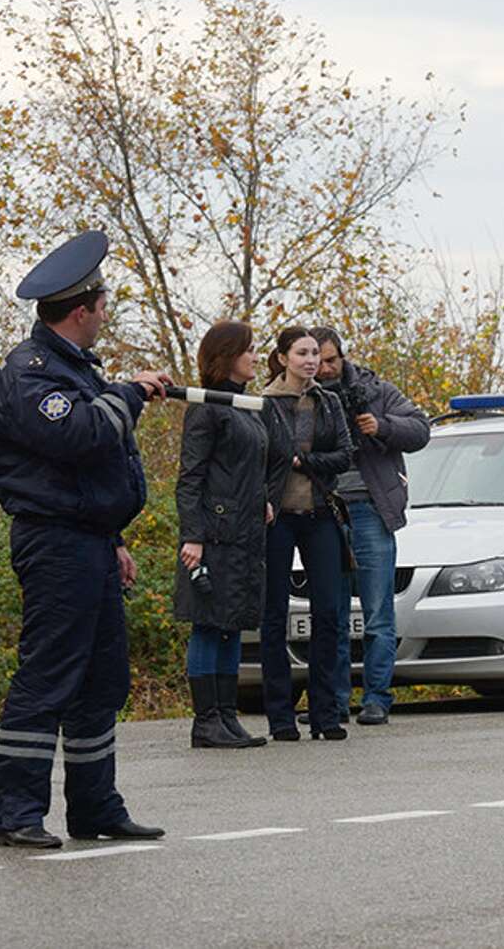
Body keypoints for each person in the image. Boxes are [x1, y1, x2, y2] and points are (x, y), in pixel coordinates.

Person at [0, 231, 171, 850]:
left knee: (101, 680)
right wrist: (128, 395)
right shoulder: (31, 375)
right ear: (82, 309)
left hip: (89, 541)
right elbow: (83, 437)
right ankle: (17, 813)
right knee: (49, 677)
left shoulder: (73, 371)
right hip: (53, 543)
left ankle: (94, 807)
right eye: (103, 305)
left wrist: (113, 538)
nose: (106, 315)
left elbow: (93, 473)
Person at [175, 321, 287, 750]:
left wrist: (265, 498)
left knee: (233, 625)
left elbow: (264, 461)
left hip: (246, 533)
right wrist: (193, 536)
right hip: (214, 534)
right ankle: (206, 721)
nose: (256, 357)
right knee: (208, 625)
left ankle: (226, 716)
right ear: (227, 354)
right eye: (250, 350)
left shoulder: (246, 405)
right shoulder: (207, 407)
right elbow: (190, 478)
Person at [311, 328, 430, 726]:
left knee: (377, 611)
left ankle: (377, 697)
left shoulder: (375, 390)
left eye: (331, 359)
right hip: (325, 510)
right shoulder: (304, 396)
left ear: (342, 356)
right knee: (333, 612)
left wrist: (381, 426)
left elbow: (420, 429)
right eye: (318, 360)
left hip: (370, 508)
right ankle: (336, 699)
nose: (325, 368)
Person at [258, 327, 355, 741]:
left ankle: (325, 713)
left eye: (315, 352)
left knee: (330, 614)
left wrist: (305, 460)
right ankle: (280, 716)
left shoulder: (329, 401)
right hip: (277, 516)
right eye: (302, 352)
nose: (312, 360)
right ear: (283, 358)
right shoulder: (262, 403)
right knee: (274, 614)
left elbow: (345, 455)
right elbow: (255, 458)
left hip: (320, 512)